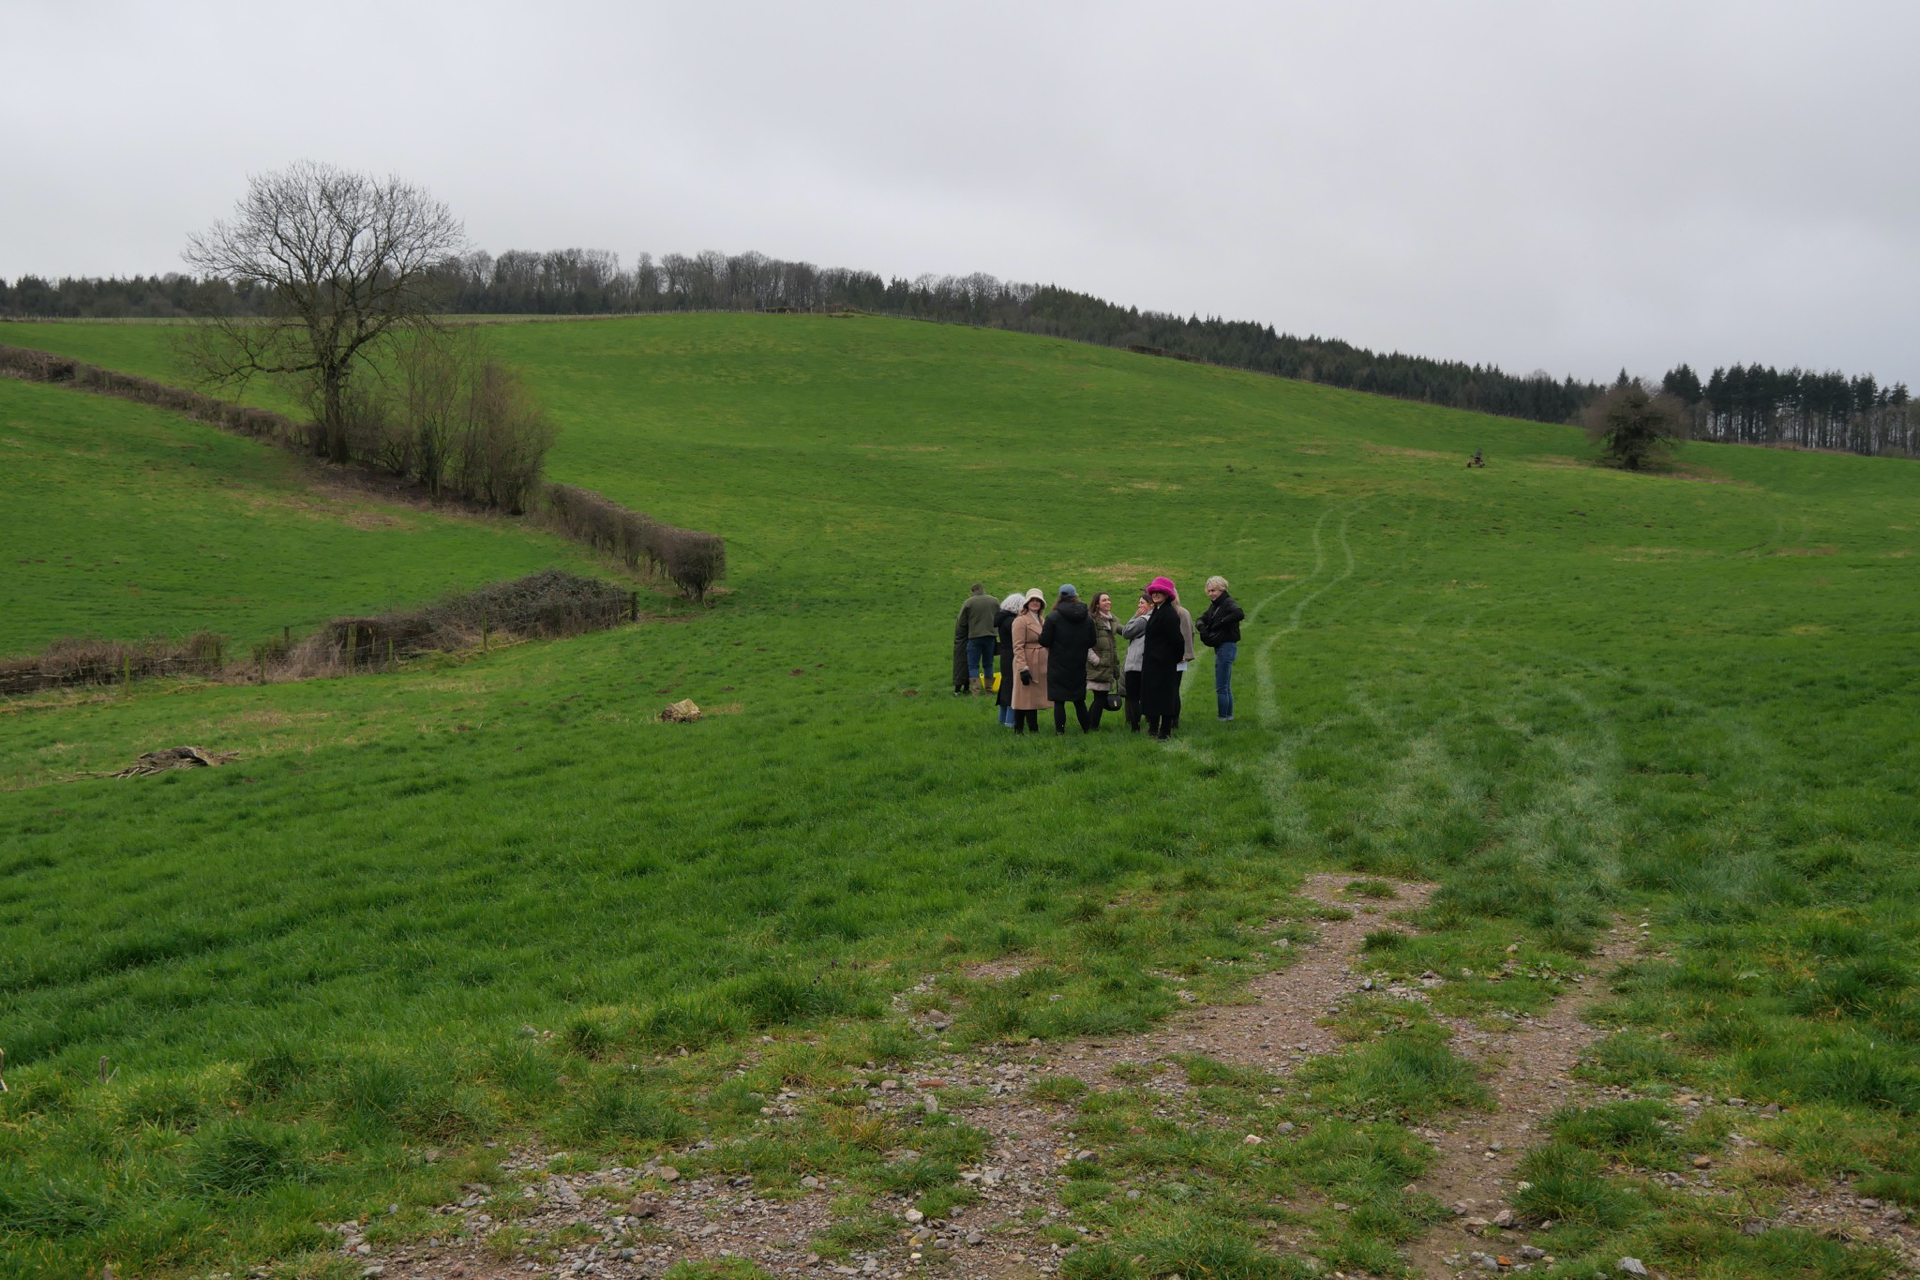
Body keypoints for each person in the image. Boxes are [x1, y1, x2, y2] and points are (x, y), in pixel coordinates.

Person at [1039, 584, 1096, 734]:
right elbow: (1092, 641)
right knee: (1079, 700)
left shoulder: (1053, 617)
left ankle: (1060, 731)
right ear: (1075, 596)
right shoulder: (1086, 617)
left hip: (1058, 664)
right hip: (1078, 664)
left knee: (1059, 701)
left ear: (1060, 597)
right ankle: (1086, 729)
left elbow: (1044, 641)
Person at [1139, 577, 1185, 740]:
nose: (1156, 594)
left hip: (1163, 663)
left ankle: (1165, 731)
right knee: (1153, 695)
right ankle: (1153, 728)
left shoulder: (1169, 614)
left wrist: (1176, 658)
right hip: (1153, 662)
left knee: (1165, 697)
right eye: (1154, 592)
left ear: (1167, 594)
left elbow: (1178, 640)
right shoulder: (1158, 610)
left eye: (1160, 592)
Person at [1197, 575, 1245, 721]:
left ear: (1222, 589)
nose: (1211, 594)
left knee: (1221, 687)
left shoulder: (1228, 603)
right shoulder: (1215, 605)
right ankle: (1228, 717)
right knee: (1225, 686)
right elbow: (1201, 619)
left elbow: (1239, 613)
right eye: (1209, 591)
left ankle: (1222, 717)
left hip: (1226, 646)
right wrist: (1202, 628)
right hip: (1222, 646)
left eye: (1214, 590)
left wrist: (1221, 623)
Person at [1009, 588, 1051, 734]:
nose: (1035, 603)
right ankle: (1020, 729)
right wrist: (1023, 668)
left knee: (1031, 698)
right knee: (1022, 697)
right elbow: (1018, 647)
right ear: (1026, 603)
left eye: (1038, 600)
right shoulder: (1020, 621)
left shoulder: (1041, 620)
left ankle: (1032, 728)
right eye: (1032, 600)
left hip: (1039, 663)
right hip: (1026, 662)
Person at [1085, 591, 1122, 730]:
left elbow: (1125, 631)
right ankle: (1092, 726)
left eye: (1109, 599)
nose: (1108, 602)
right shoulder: (1092, 621)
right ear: (1097, 604)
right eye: (1104, 600)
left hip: (1108, 666)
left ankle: (1090, 725)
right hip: (1098, 666)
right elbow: (1085, 643)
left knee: (1100, 698)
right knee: (1099, 698)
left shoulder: (1111, 620)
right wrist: (1096, 660)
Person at [956, 583, 999, 695]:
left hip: (974, 637)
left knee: (973, 665)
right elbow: (999, 616)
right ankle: (989, 690)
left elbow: (962, 621)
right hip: (990, 637)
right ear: (983, 590)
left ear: (972, 591)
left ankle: (975, 691)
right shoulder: (994, 600)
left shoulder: (968, 602)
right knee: (988, 664)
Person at [1119, 591, 1151, 732]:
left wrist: (1135, 616)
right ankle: (1150, 723)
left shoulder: (1143, 620)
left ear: (1150, 605)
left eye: (1142, 603)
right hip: (1147, 663)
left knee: (1133, 697)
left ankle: (1135, 727)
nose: (1139, 606)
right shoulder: (1156, 618)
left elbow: (1126, 632)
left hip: (1136, 663)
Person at [993, 591, 1023, 728]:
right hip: (1013, 655)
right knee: (1013, 687)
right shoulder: (1012, 622)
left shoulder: (1002, 619)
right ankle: (1010, 721)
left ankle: (1002, 719)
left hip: (1005, 655)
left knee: (1005, 685)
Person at [1169, 583, 1196, 732]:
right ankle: (1174, 720)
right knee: (1175, 688)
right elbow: (1191, 633)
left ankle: (1171, 719)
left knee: (1170, 689)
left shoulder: (1174, 613)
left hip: (1174, 656)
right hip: (1182, 657)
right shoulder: (1184, 612)